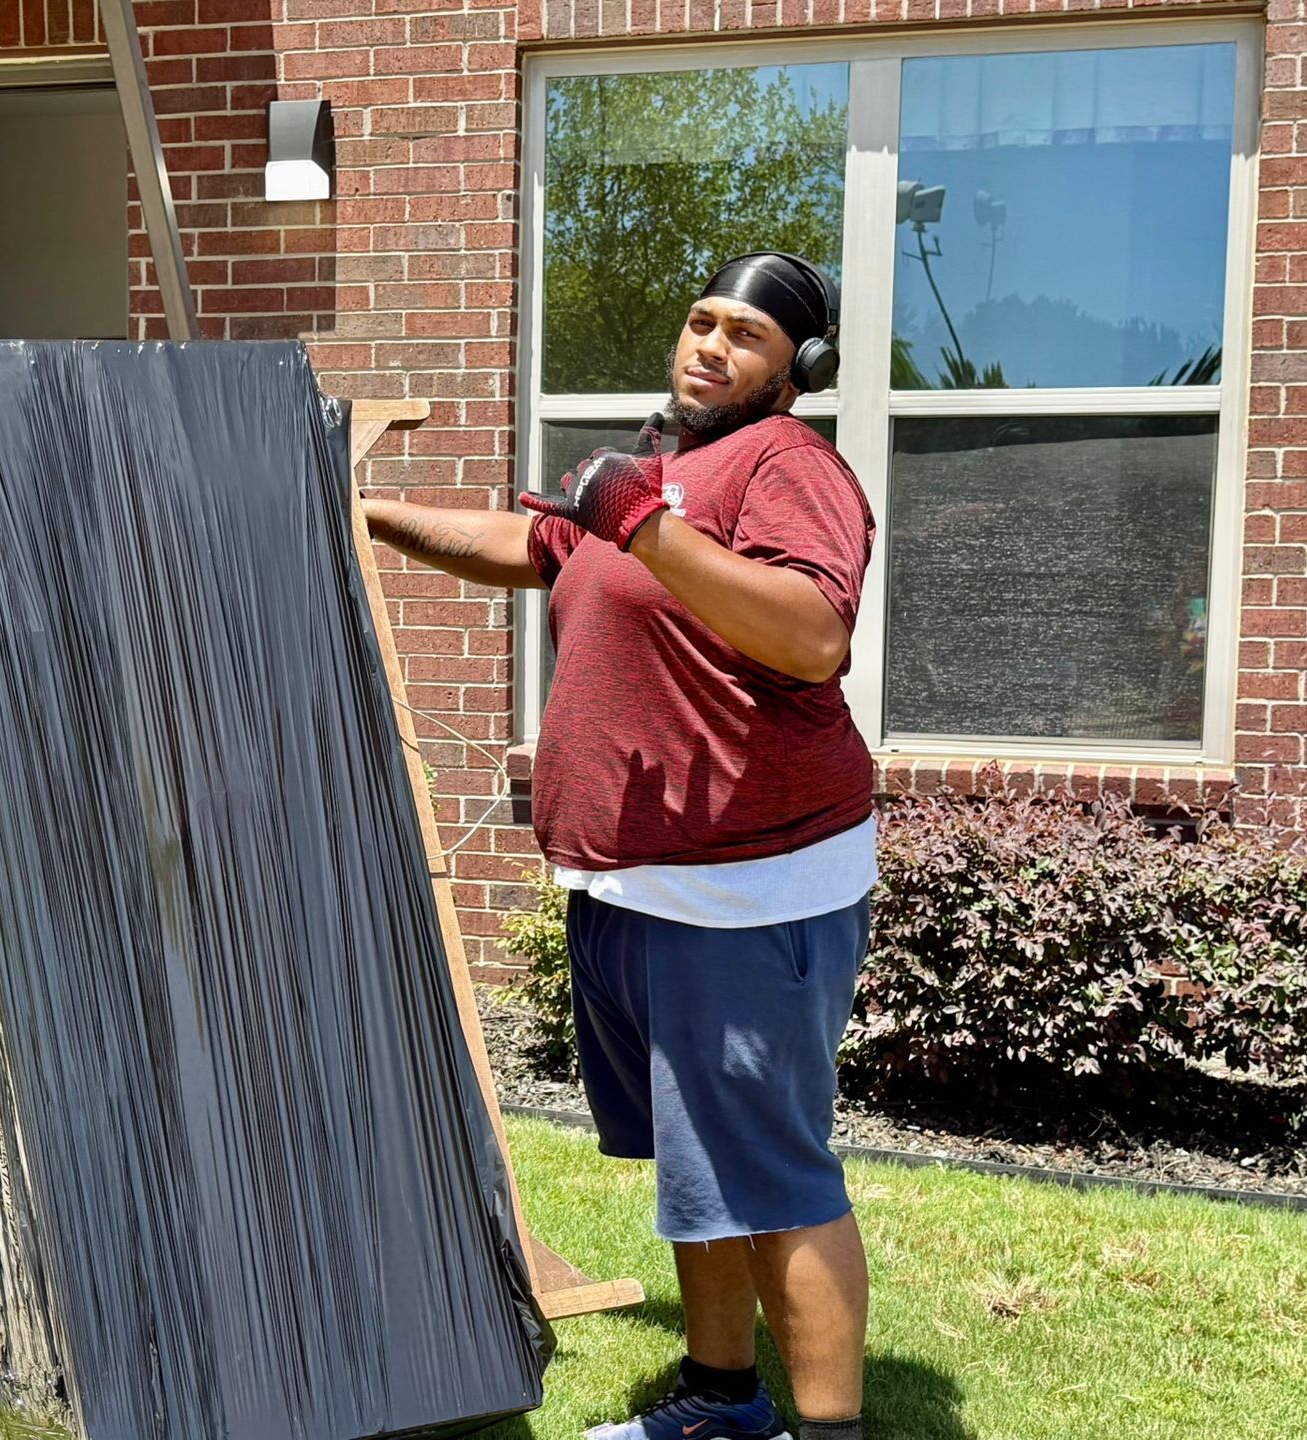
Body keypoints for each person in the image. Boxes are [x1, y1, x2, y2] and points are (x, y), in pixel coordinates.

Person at [365, 252, 876, 1440]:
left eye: (745, 334)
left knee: (773, 1178)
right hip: (639, 890)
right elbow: (529, 546)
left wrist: (644, 525)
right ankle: (720, 1402)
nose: (711, 346)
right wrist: (375, 519)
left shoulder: (788, 465)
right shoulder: (662, 468)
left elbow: (812, 633)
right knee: (704, 1172)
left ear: (798, 369)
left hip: (749, 893)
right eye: (701, 321)